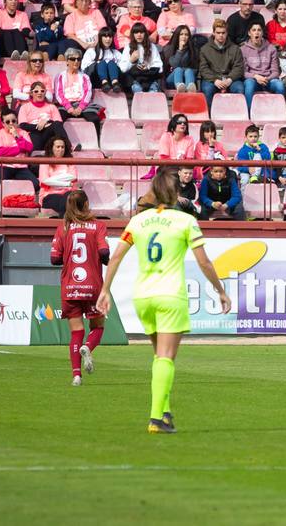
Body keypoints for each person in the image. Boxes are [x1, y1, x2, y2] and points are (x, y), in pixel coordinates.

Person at [95, 168, 231, 434]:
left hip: (143, 296)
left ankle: (165, 413)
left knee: (159, 357)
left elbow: (116, 257)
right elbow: (203, 261)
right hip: (170, 295)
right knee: (167, 358)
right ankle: (156, 418)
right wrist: (220, 290)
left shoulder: (138, 221)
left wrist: (105, 290)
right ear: (176, 193)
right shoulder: (185, 222)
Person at [49, 189, 109, 387]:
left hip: (70, 287)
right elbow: (104, 251)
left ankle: (76, 376)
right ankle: (88, 346)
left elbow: (54, 258)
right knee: (98, 327)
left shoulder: (63, 228)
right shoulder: (98, 226)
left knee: (76, 332)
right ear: (86, 205)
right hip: (92, 286)